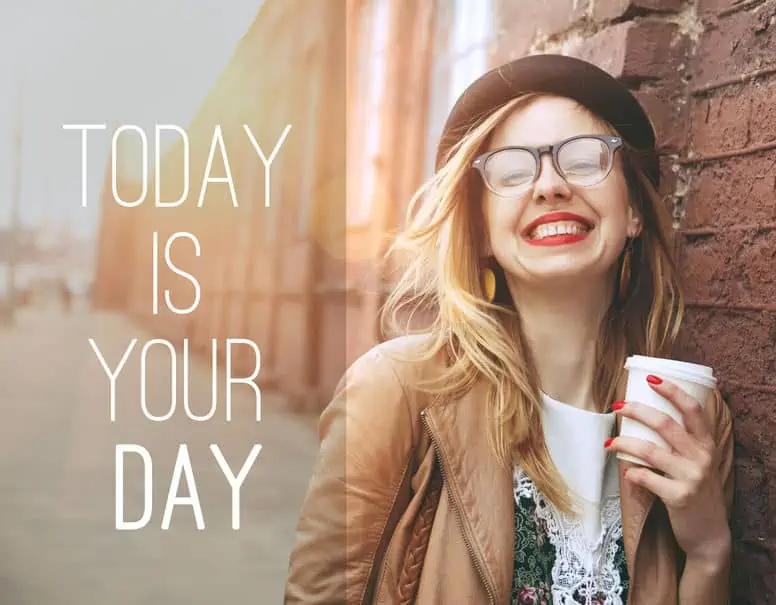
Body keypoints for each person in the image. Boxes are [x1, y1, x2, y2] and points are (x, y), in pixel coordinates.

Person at [284, 54, 734, 605]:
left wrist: (710, 551)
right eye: (513, 171)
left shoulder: (691, 417)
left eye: (584, 159)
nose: (549, 186)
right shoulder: (394, 392)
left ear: (634, 211)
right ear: (479, 231)